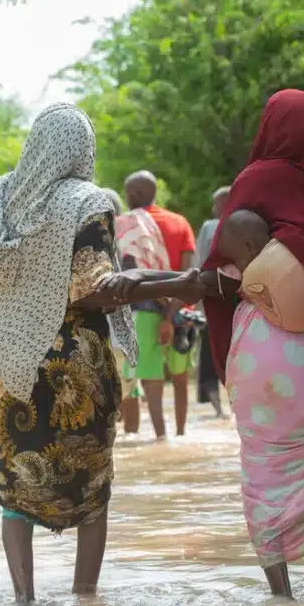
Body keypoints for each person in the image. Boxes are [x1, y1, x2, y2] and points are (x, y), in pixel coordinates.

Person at [103, 90, 304, 598]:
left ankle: (282, 601)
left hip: (264, 357)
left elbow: (219, 282)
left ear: (268, 127)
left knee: (265, 477)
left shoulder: (254, 183)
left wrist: (144, 281)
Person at [0, 103, 203, 606]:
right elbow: (96, 288)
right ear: (83, 149)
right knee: (92, 484)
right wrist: (176, 284)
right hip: (75, 361)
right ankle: (86, 604)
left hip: (12, 362)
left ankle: (24, 604)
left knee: (15, 484)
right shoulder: (87, 200)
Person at [123, 170, 197, 436]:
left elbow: (133, 275)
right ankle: (180, 434)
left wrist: (162, 312)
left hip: (144, 312)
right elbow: (189, 275)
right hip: (182, 314)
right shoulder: (180, 223)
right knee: (180, 379)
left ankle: (156, 438)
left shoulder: (127, 225)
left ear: (134, 194)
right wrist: (172, 311)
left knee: (144, 379)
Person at [101, 187, 145, 435]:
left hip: (107, 327)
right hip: (127, 326)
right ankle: (132, 435)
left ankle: (123, 439)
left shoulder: (92, 239)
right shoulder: (131, 239)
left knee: (107, 389)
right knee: (129, 386)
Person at [193, 186, 231, 416]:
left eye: (217, 203)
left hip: (212, 301)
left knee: (209, 358)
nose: (213, 208)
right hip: (240, 302)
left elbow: (199, 264)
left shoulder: (210, 227)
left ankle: (219, 411)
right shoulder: (251, 224)